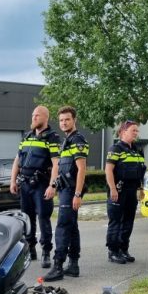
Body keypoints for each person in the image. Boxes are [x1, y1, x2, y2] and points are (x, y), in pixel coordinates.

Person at [10, 106, 60, 268]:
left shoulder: (52, 138)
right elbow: (17, 160)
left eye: (37, 115)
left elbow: (56, 164)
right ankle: (30, 249)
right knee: (27, 218)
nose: (33, 118)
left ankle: (46, 252)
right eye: (33, 115)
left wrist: (52, 185)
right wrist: (12, 181)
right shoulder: (27, 136)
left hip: (41, 184)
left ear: (46, 117)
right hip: (25, 184)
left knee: (43, 218)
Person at [44, 106, 89, 280]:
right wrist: (54, 185)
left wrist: (77, 194)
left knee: (62, 227)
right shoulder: (67, 141)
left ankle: (58, 266)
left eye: (67, 119)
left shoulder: (77, 140)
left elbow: (82, 168)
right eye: (61, 120)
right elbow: (62, 168)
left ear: (74, 120)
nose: (63, 123)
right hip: (65, 189)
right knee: (72, 227)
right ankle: (73, 265)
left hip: (71, 191)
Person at [105, 121, 146, 264]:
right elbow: (108, 170)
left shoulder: (137, 149)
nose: (136, 133)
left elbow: (140, 170)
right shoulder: (116, 148)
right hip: (119, 190)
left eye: (137, 131)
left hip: (132, 191)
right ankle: (113, 252)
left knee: (128, 222)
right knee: (116, 222)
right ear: (123, 132)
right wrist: (112, 189)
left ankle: (123, 250)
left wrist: (141, 188)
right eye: (133, 130)